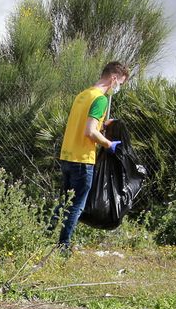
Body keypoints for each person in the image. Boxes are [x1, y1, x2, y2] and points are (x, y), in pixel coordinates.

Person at [54, 61, 130, 250]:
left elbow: (84, 124)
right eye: (120, 82)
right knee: (76, 206)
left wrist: (102, 126)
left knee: (65, 202)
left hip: (67, 155)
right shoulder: (101, 99)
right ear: (113, 78)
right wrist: (108, 143)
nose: (118, 87)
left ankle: (44, 233)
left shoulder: (83, 95)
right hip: (82, 159)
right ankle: (63, 246)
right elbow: (89, 132)